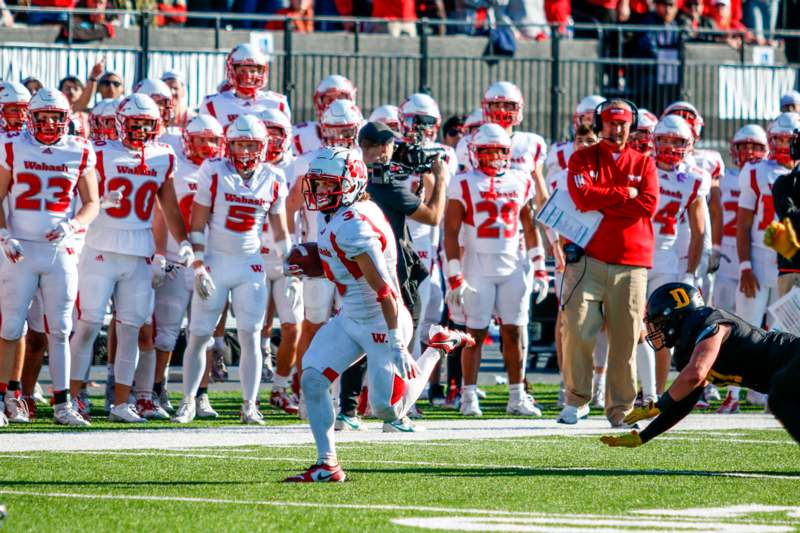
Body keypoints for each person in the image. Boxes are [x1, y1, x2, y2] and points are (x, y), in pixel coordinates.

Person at [283, 147, 473, 483]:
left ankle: (437, 346)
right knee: (312, 379)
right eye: (318, 184)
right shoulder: (342, 212)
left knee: (389, 410)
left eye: (329, 185)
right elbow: (345, 268)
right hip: (351, 317)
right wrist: (315, 263)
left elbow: (384, 290)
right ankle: (327, 463)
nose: (321, 192)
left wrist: (399, 344)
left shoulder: (354, 226)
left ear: (352, 181)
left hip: (382, 320)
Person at [68, 93, 194, 423]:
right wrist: (100, 204)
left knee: (131, 328)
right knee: (88, 324)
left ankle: (121, 403)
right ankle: (71, 398)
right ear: (121, 122)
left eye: (147, 124)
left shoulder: (163, 156)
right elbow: (81, 197)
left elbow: (169, 208)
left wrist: (184, 245)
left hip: (138, 251)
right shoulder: (101, 152)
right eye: (135, 122)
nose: (140, 129)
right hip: (100, 246)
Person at [171, 115, 290, 425]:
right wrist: (197, 265)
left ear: (263, 146)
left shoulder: (274, 177)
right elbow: (197, 226)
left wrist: (289, 265)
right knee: (198, 335)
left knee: (251, 335)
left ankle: (250, 404)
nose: (246, 151)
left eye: (251, 144)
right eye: (239, 144)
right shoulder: (214, 171)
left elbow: (280, 232)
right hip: (216, 260)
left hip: (250, 264)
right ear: (229, 145)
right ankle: (188, 401)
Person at [0, 88, 100, 427]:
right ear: (31, 118)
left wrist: (73, 224)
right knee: (12, 326)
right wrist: (4, 235)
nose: (48, 123)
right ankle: (3, 400)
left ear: (66, 118)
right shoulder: (14, 146)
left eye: (55, 117)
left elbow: (92, 202)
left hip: (58, 250)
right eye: (41, 116)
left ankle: (62, 405)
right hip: (22, 249)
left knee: (61, 329)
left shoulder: (79, 149)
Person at [601, 282, 800, 447]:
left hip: (792, 357)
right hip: (784, 375)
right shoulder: (688, 345)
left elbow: (696, 373)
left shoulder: (708, 323)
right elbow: (684, 402)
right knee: (780, 399)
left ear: (676, 315)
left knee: (780, 399)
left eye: (660, 321)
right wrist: (644, 436)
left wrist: (659, 405)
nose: (657, 329)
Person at [561, 99, 659, 427]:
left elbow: (647, 204)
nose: (617, 130)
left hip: (631, 261)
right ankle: (576, 399)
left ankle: (620, 409)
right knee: (576, 329)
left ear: (631, 126)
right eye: (611, 122)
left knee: (626, 339)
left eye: (623, 123)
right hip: (587, 258)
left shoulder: (644, 163)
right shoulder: (582, 157)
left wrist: (603, 199)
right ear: (601, 123)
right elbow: (581, 197)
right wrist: (622, 193)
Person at [444, 123, 548, 417]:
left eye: (497, 151)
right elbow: (450, 231)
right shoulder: (463, 182)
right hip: (477, 266)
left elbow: (530, 227)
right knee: (473, 334)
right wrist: (455, 275)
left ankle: (517, 396)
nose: (491, 157)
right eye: (486, 151)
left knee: (514, 331)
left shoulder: (521, 179)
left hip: (513, 267)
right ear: (475, 153)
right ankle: (468, 396)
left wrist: (539, 267)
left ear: (508, 153)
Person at [153, 114, 225, 421]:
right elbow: (162, 213)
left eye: (212, 139)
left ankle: (201, 394)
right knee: (166, 334)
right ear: (188, 139)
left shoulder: (224, 171)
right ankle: (158, 388)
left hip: (208, 261)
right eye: (201, 139)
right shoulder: (176, 167)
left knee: (203, 332)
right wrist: (160, 253)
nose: (207, 145)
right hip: (176, 256)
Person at [643, 115, 709, 406]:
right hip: (637, 254)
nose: (670, 146)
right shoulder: (642, 165)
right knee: (631, 328)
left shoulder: (695, 178)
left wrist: (690, 273)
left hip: (668, 261)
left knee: (659, 332)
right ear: (654, 141)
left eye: (677, 141)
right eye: (664, 140)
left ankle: (655, 394)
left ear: (690, 144)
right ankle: (626, 390)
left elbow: (699, 232)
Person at [255, 108, 303, 416]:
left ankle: (280, 387)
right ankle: (250, 393)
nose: (272, 139)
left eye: (277, 132)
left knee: (294, 326)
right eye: (267, 132)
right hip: (252, 256)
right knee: (252, 328)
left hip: (286, 256)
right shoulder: (242, 167)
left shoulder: (297, 166)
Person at [200, 43, 291, 129]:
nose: (248, 76)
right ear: (232, 71)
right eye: (242, 70)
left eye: (252, 71)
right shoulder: (213, 104)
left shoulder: (277, 103)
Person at [293, 75, 357, 156]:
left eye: (340, 98)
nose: (335, 105)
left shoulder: (365, 130)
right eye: (329, 100)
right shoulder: (301, 135)